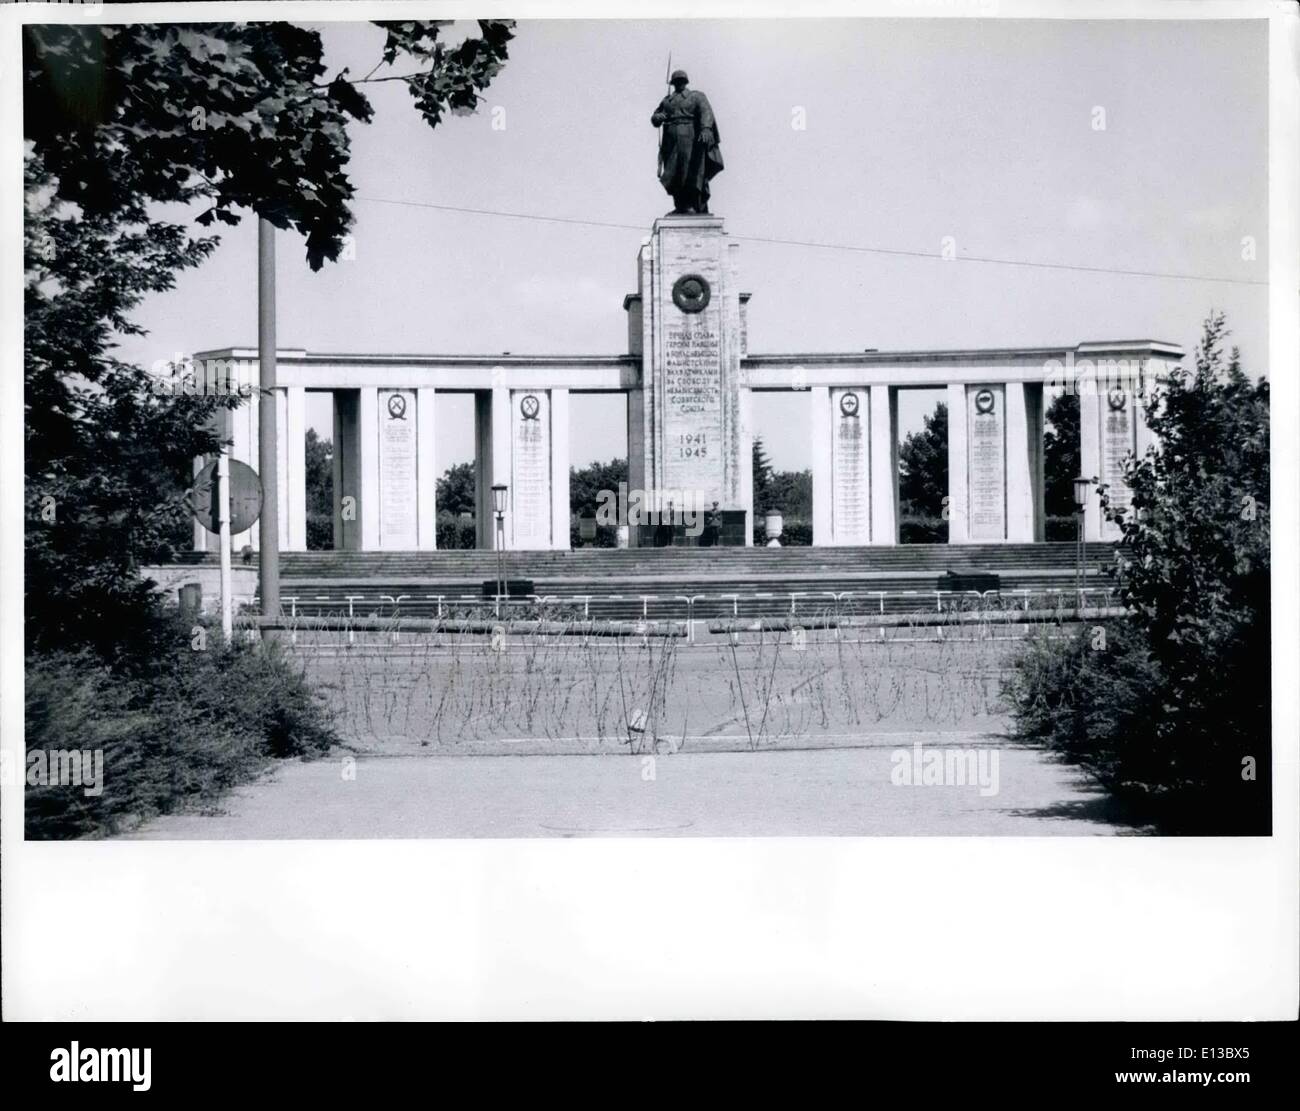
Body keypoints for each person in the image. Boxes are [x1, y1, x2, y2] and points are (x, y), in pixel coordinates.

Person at [651, 70, 724, 215]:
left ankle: (691, 204)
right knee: (673, 173)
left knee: (690, 170)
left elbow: (706, 112)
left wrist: (706, 128)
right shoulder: (667, 101)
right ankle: (680, 205)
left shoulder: (696, 96)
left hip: (690, 139)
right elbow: (654, 118)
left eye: (681, 80)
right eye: (676, 81)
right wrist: (658, 117)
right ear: (673, 83)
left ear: (686, 81)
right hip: (671, 142)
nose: (679, 83)